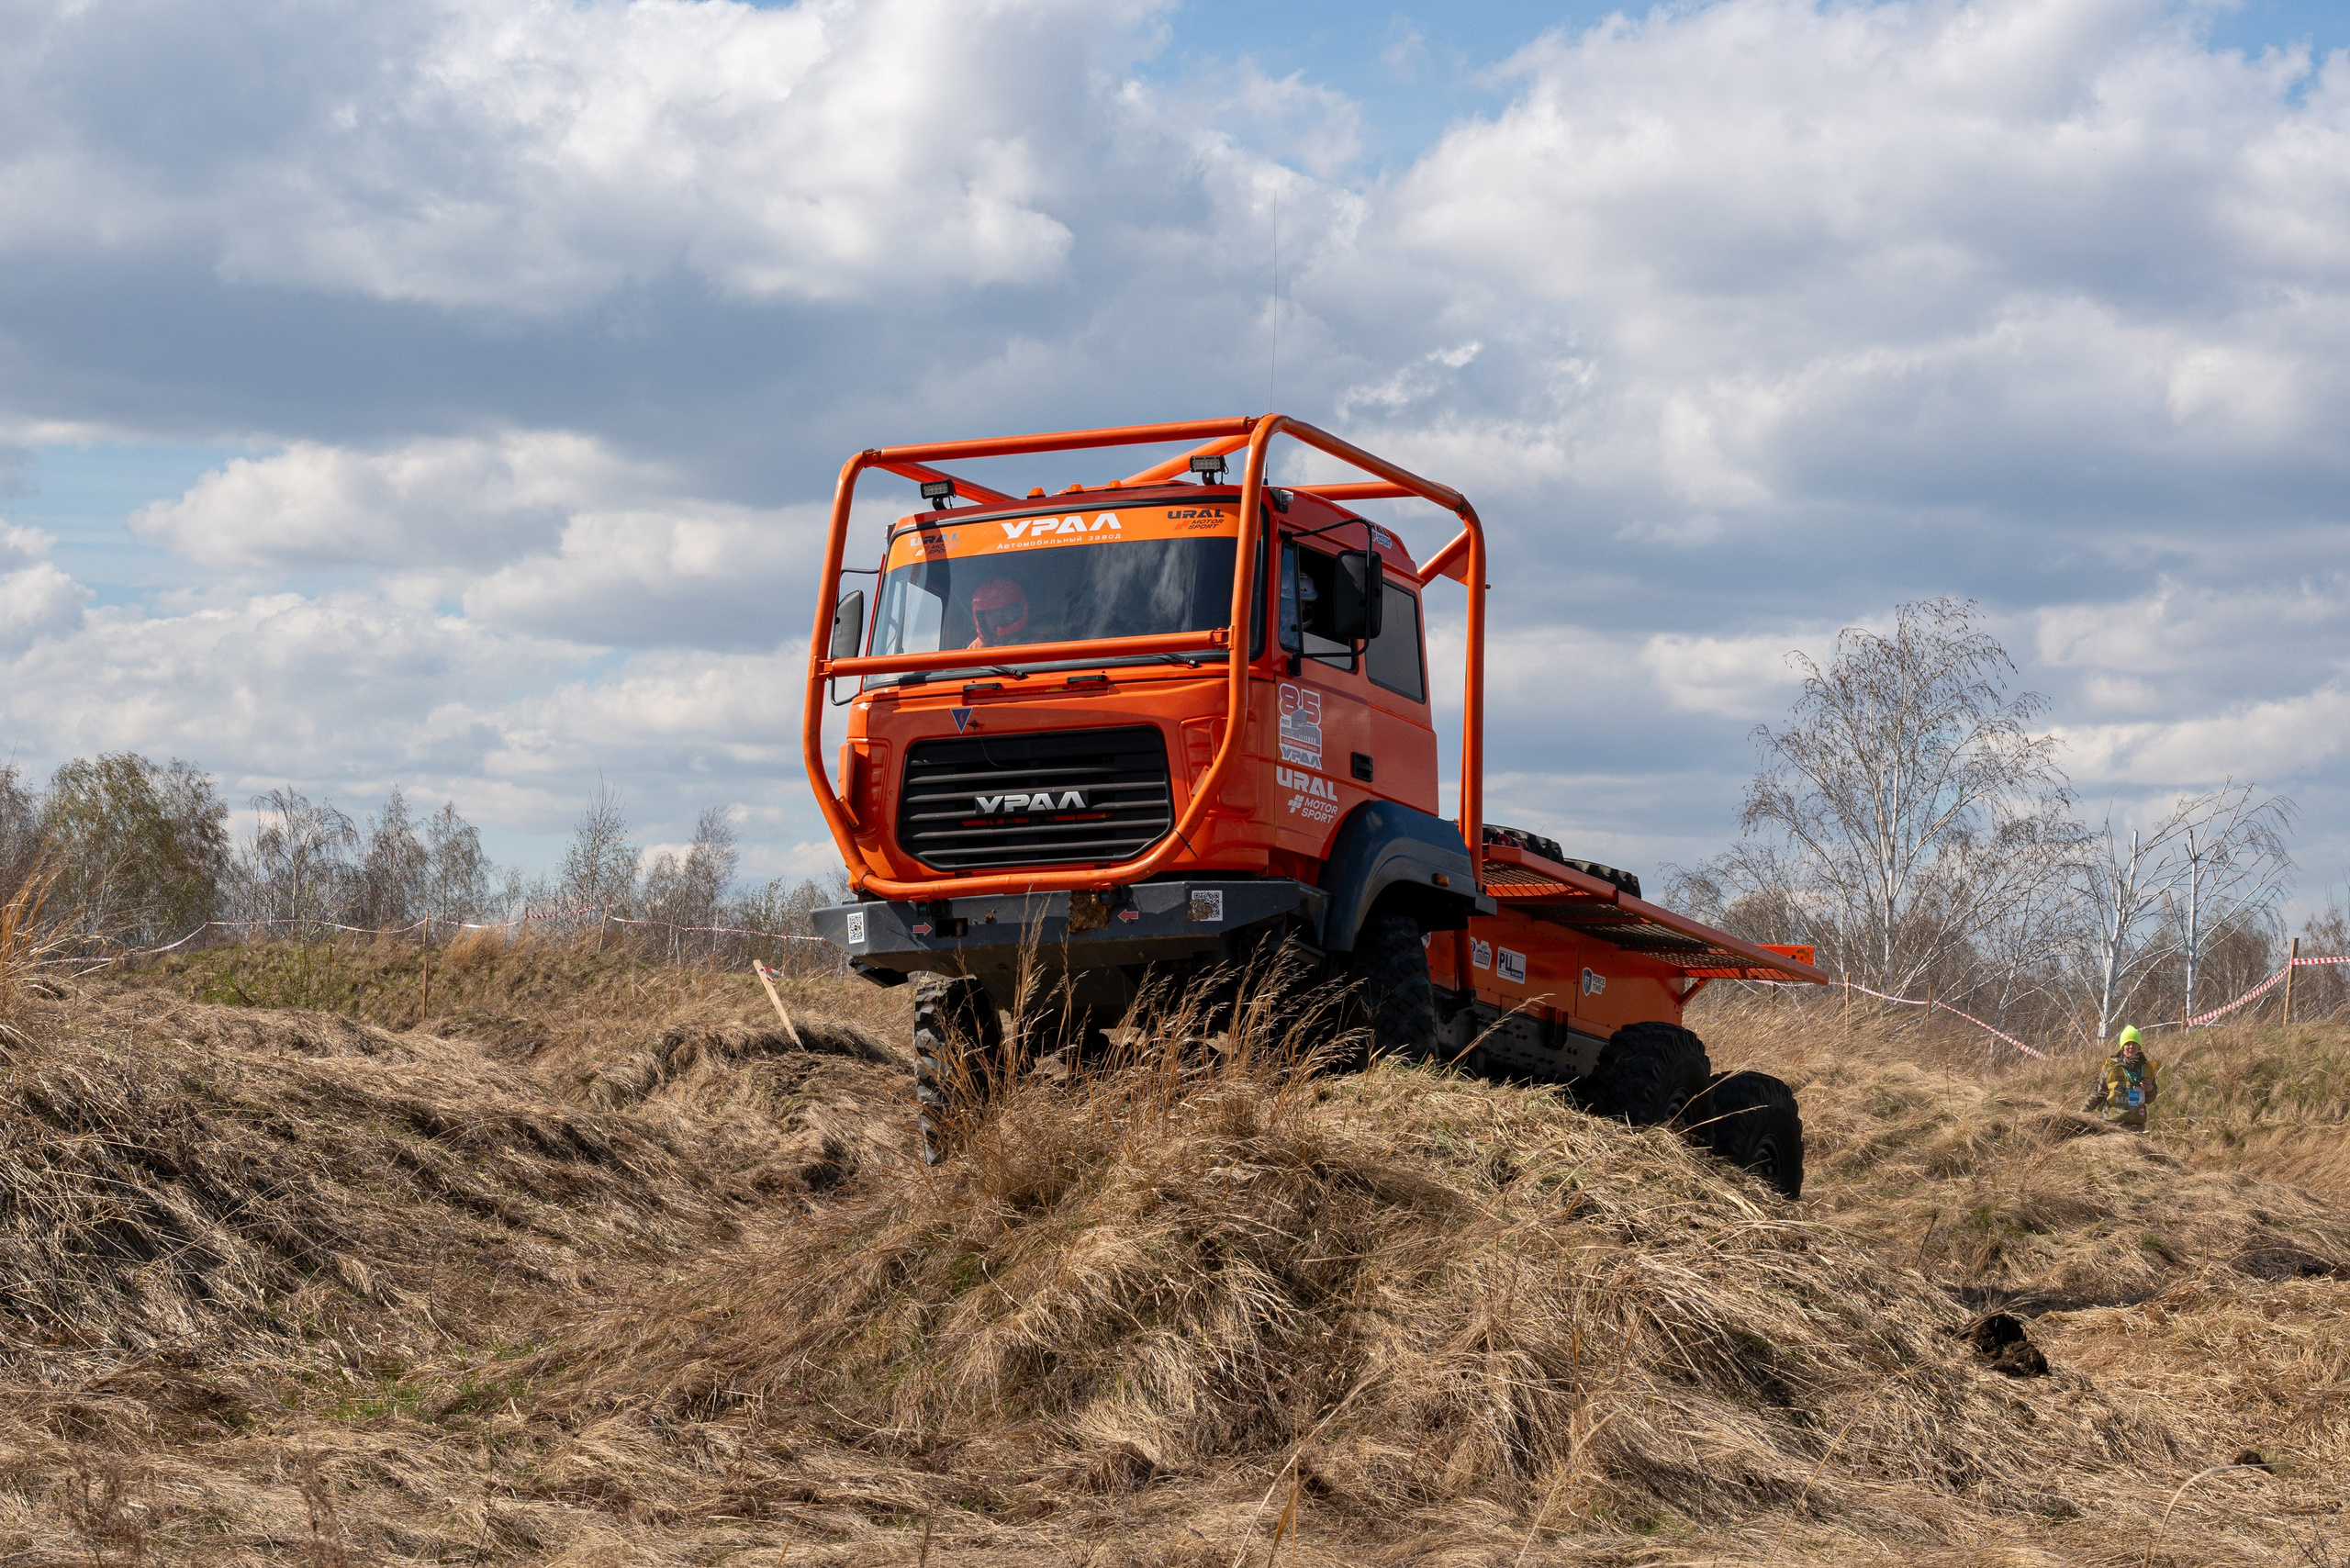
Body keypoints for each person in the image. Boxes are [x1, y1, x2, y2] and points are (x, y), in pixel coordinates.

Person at [2082, 1025, 2160, 1130]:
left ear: (2139, 1046)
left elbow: (2150, 1099)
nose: (2131, 1047)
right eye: (2127, 1043)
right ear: (2122, 1046)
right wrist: (2080, 1115)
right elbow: (2097, 1094)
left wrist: (2150, 1089)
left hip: (2136, 1124)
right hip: (2111, 1122)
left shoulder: (2147, 1069)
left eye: (2134, 1043)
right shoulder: (2111, 1067)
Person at [968, 577, 1030, 647]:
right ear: (983, 617)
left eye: (1005, 609)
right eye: (992, 612)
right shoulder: (971, 650)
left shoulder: (1039, 643)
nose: (999, 615)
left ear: (1017, 611)